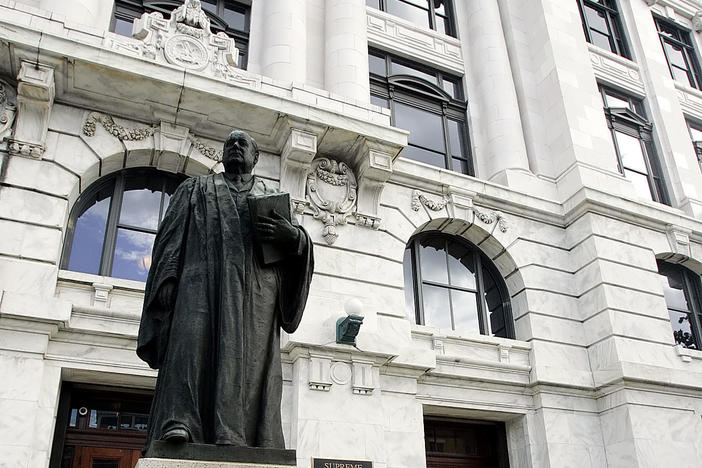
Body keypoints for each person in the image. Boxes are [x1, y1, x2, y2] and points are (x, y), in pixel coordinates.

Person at [136, 130, 314, 451]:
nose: (234, 146)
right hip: (199, 283)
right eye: (229, 142)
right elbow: (170, 238)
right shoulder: (194, 189)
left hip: (257, 294)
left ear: (255, 158)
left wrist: (295, 238)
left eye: (242, 143)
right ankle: (180, 422)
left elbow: (298, 248)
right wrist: (167, 278)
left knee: (251, 363)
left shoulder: (271, 196)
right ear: (222, 154)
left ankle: (249, 435)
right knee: (190, 347)